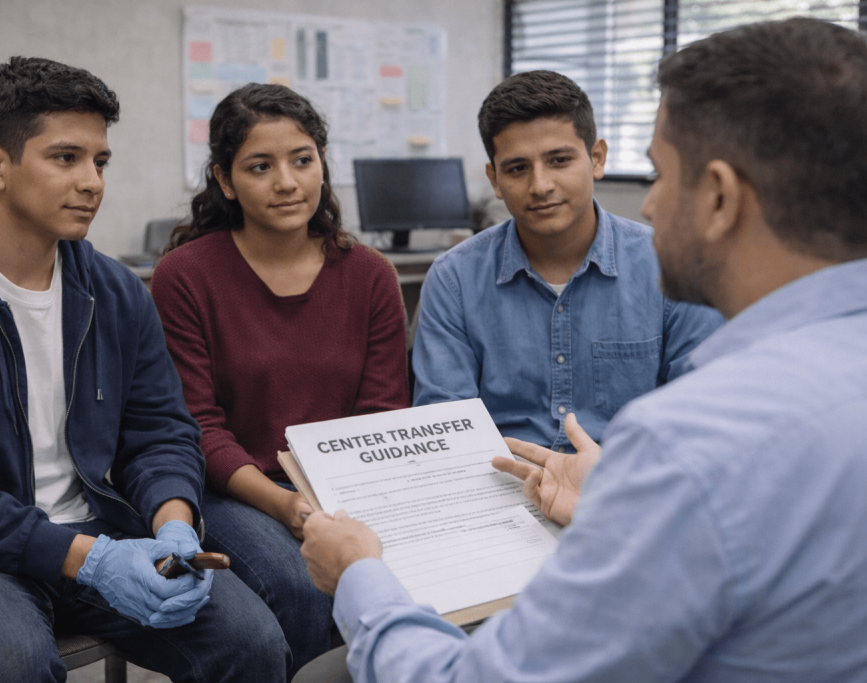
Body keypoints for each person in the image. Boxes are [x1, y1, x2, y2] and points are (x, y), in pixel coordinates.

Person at [299, 17, 867, 682]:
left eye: (660, 174)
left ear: (718, 197)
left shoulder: (690, 437)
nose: (651, 206)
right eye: (518, 168)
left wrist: (360, 575)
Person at [0, 57, 287, 682]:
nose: (92, 182)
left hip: (97, 532)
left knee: (250, 642)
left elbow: (159, 431)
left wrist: (173, 524)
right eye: (65, 158)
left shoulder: (114, 289)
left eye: (99, 162)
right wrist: (91, 559)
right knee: (10, 665)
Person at [150, 83, 409, 676]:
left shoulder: (370, 275)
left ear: (322, 163)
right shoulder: (184, 276)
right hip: (237, 488)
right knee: (302, 583)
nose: (287, 182)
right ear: (224, 179)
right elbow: (199, 427)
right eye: (260, 167)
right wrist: (288, 505)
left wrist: (328, 503)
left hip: (346, 486)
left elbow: (384, 411)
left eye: (302, 160)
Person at [412, 69, 723, 450]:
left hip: (629, 489)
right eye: (518, 168)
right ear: (495, 180)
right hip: (502, 490)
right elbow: (445, 430)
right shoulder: (454, 279)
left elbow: (700, 421)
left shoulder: (672, 264)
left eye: (559, 160)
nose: (540, 185)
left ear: (596, 158)